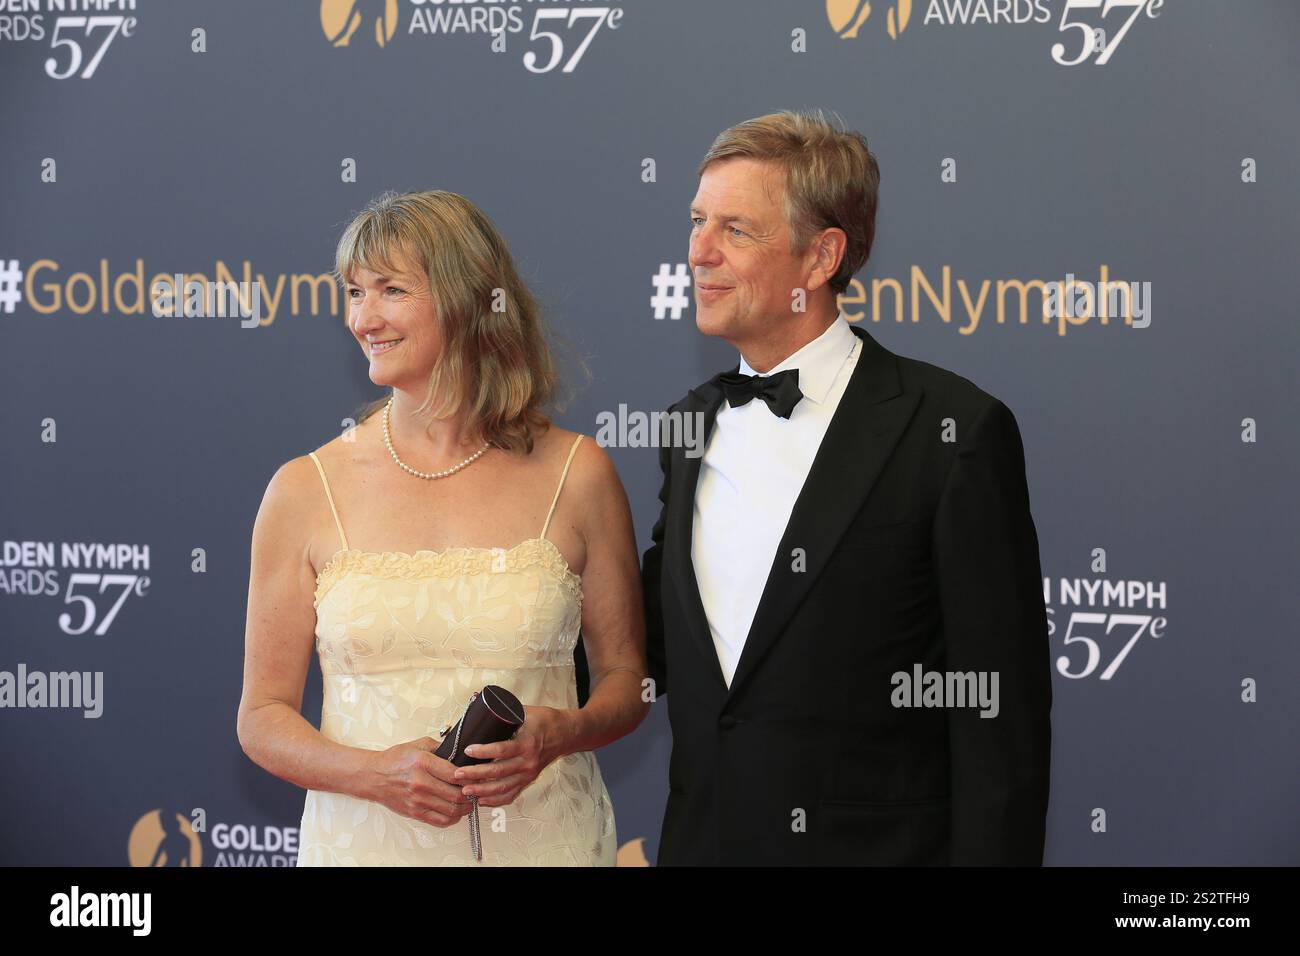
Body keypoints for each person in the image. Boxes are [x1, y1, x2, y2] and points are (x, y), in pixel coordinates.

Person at [641, 110, 1052, 865]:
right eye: (698, 222)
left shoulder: (951, 431)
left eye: (736, 230)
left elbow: (998, 721)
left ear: (820, 256)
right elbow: (651, 643)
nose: (697, 252)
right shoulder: (686, 427)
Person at [238, 189, 649, 865]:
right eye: (353, 292)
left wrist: (560, 732)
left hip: (547, 843)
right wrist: (376, 775)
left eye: (391, 290)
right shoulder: (305, 488)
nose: (363, 318)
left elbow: (629, 682)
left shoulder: (579, 473)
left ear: (467, 299)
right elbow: (261, 719)